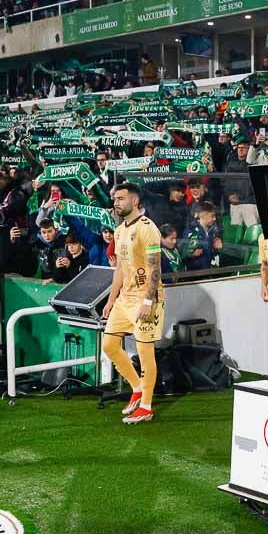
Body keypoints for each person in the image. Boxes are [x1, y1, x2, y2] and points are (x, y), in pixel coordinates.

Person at [100, 182, 165, 425]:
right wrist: (110, 299)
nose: (115, 203)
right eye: (115, 199)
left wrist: (148, 300)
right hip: (124, 299)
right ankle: (137, 387)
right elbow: (119, 269)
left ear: (135, 201)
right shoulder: (119, 230)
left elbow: (155, 268)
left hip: (146, 298)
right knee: (109, 345)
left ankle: (146, 406)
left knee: (144, 351)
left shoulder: (148, 229)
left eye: (120, 199)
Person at [224, 140, 260, 227]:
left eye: (244, 147)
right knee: (235, 231)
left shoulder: (254, 162)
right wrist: (229, 195)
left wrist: (239, 197)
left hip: (249, 203)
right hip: (234, 203)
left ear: (249, 150)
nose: (240, 149)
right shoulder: (231, 163)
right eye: (239, 147)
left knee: (252, 229)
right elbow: (226, 182)